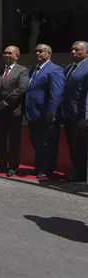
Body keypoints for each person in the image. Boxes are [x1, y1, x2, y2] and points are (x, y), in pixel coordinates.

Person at [24, 44, 64, 179]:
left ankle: (47, 169)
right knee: (37, 142)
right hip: (33, 114)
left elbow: (56, 93)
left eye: (41, 51)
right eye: (35, 51)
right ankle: (39, 167)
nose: (37, 53)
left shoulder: (55, 70)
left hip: (46, 114)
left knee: (48, 143)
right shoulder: (33, 70)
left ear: (49, 54)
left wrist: (51, 112)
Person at [0, 45, 29, 177]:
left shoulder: (22, 71)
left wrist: (5, 103)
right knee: (0, 140)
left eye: (10, 53)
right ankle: (1, 165)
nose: (6, 55)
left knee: (14, 141)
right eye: (5, 53)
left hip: (13, 111)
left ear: (17, 56)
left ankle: (13, 166)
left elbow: (21, 89)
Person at [61, 41, 88, 182]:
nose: (73, 52)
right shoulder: (68, 68)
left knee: (81, 146)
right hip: (69, 114)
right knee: (73, 145)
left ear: (86, 53)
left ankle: (82, 174)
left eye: (77, 50)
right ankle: (78, 171)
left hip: (82, 115)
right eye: (72, 50)